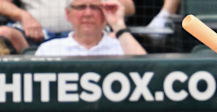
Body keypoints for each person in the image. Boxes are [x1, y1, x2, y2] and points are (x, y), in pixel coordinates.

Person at [0, 0, 134, 53]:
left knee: (118, 37)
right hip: (34, 34)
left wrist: (96, 4)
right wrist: (22, 15)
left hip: (90, 32)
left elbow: (129, 6)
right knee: (4, 33)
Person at [34, 0, 145, 56]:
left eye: (94, 7)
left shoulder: (122, 48)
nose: (88, 13)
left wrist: (118, 25)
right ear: (68, 14)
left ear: (104, 13)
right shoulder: (48, 50)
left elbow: (147, 69)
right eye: (81, 7)